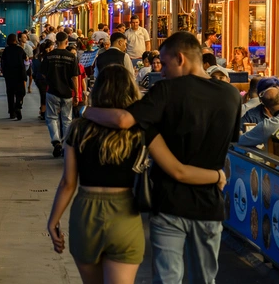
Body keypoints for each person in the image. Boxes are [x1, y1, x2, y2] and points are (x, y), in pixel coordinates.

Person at [82, 32, 241, 283]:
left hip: (169, 203)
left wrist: (86, 111)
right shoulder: (231, 95)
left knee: (167, 278)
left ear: (180, 58)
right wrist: (216, 175)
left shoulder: (166, 91)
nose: (163, 72)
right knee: (205, 279)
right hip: (209, 205)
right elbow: (225, 143)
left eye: (165, 64)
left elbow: (123, 120)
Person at [47, 65, 227, 284]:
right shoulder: (141, 130)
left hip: (85, 214)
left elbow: (67, 183)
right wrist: (216, 176)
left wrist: (53, 221)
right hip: (125, 215)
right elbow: (177, 171)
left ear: (98, 91)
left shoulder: (78, 129)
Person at [42, 31, 79, 158]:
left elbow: (43, 73)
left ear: (56, 42)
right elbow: (75, 77)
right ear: (66, 42)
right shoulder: (71, 57)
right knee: (67, 119)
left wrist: (50, 80)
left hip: (52, 91)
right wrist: (77, 94)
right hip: (67, 93)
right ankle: (65, 145)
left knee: (51, 118)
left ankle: (56, 140)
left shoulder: (49, 56)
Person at [1, 34, 28, 120]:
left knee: (10, 93)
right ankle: (18, 105)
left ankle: (12, 112)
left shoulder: (6, 50)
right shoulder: (20, 49)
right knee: (21, 92)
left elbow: (2, 62)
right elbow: (26, 58)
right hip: (19, 74)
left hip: (9, 75)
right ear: (15, 40)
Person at [33, 40, 53, 121]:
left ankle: (42, 111)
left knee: (43, 95)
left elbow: (35, 68)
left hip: (39, 78)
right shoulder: (47, 57)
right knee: (45, 96)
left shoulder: (38, 57)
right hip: (44, 78)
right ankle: (44, 112)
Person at [66, 44, 88, 115]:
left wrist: (85, 93)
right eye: (72, 54)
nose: (74, 56)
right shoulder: (65, 67)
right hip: (68, 96)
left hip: (79, 95)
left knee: (79, 115)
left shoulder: (80, 67)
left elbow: (83, 81)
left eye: (75, 54)